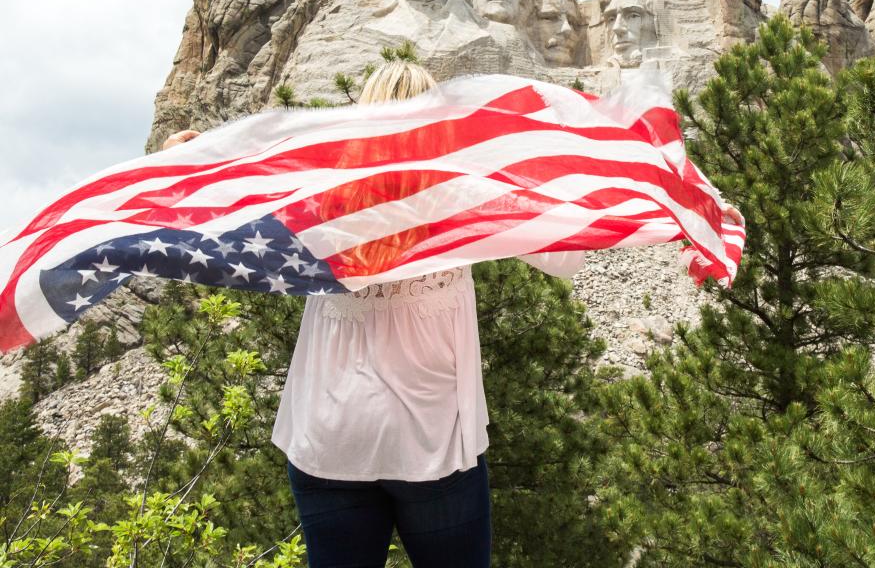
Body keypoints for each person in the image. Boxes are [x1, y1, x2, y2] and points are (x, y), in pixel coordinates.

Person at [161, 61, 742, 567]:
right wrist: (654, 206)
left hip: (330, 435)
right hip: (433, 441)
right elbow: (564, 261)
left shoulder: (316, 191)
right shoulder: (465, 191)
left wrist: (188, 157)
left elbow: (219, 209)